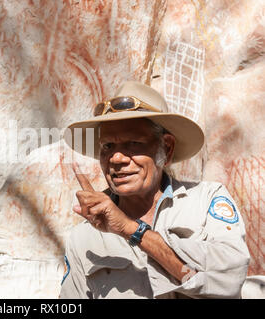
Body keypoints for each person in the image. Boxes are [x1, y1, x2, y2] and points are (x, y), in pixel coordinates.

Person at [60, 81, 250, 299]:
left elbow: (228, 282)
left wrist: (132, 230)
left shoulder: (206, 201)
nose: (117, 158)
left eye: (133, 143)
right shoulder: (84, 236)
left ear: (166, 149)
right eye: (107, 146)